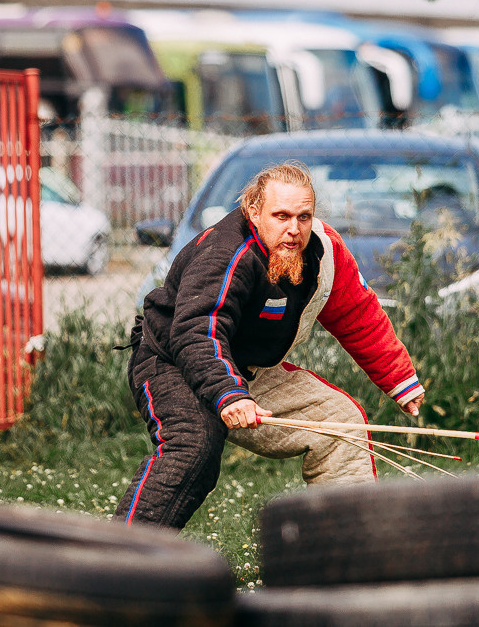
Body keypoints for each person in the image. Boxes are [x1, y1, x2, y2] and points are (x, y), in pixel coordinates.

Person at [115, 160, 426, 529]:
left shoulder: (324, 252)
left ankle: (347, 550)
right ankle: (122, 556)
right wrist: (229, 395)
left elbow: (357, 313)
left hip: (250, 371)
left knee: (341, 423)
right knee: (195, 447)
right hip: (172, 362)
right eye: (281, 216)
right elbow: (199, 330)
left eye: (303, 217)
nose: (294, 230)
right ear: (253, 212)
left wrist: (400, 380)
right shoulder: (224, 253)